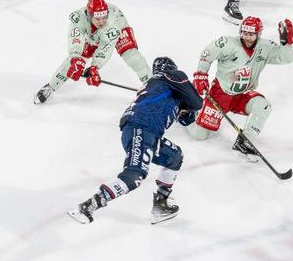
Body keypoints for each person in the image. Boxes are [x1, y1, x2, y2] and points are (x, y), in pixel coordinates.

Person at [67, 57, 202, 224]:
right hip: (141, 127)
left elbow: (186, 120)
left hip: (145, 131)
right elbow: (197, 102)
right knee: (135, 175)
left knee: (174, 157)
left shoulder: (160, 88)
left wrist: (184, 107)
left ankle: (161, 205)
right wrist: (190, 101)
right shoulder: (171, 75)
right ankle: (89, 205)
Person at [186, 16, 293, 161]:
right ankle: (185, 114)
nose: (247, 37)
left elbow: (286, 58)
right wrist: (201, 75)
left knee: (263, 106)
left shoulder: (265, 47)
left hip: (243, 95)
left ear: (259, 34)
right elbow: (207, 54)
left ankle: (244, 142)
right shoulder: (228, 43)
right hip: (220, 95)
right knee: (200, 135)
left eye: (251, 34)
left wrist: (286, 44)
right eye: (244, 33)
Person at [34, 0, 150, 104]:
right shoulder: (79, 20)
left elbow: (105, 49)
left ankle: (151, 82)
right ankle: (51, 86)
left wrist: (95, 67)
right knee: (75, 62)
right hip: (91, 33)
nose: (102, 21)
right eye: (98, 18)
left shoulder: (112, 23)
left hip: (118, 27)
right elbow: (75, 41)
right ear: (89, 16)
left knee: (131, 54)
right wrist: (75, 58)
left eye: (104, 17)